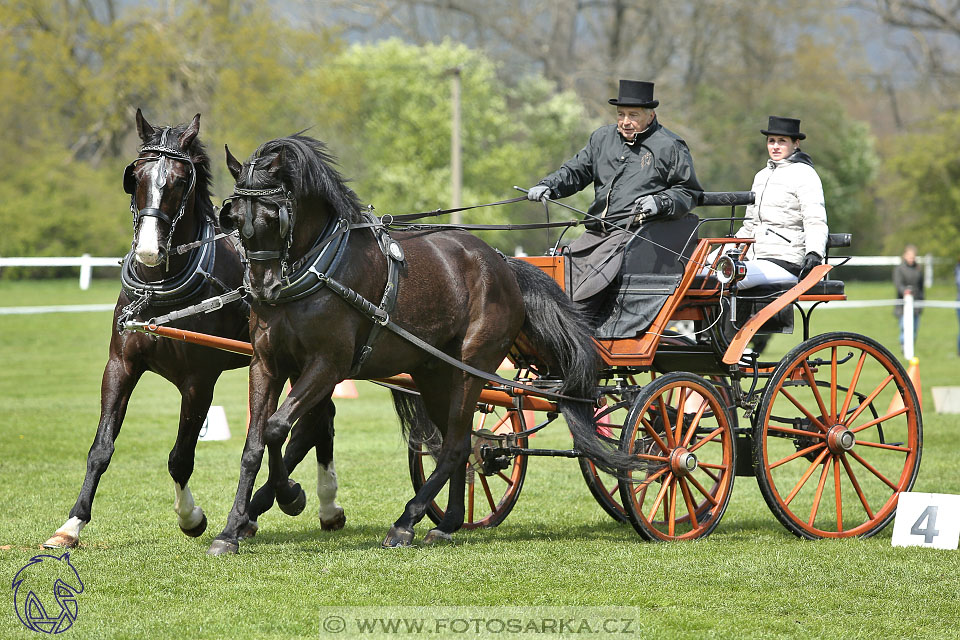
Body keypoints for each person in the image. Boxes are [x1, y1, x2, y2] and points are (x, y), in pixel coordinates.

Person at [526, 79, 703, 323]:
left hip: (635, 235)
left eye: (633, 115)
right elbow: (575, 171)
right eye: (621, 114)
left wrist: (661, 202)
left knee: (580, 296)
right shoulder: (602, 139)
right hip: (595, 234)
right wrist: (548, 185)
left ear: (651, 115)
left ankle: (576, 336)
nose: (625, 121)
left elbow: (688, 192)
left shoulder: (670, 146)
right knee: (558, 279)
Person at [732, 116, 828, 289]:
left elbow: (815, 220)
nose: (775, 146)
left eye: (782, 141)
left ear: (796, 143)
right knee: (700, 271)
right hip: (755, 257)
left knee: (727, 277)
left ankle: (732, 317)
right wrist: (729, 249)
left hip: (786, 260)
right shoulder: (761, 176)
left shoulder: (805, 174)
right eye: (771, 141)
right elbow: (749, 225)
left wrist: (814, 253)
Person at [894, 244, 924, 351]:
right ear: (905, 255)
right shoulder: (900, 269)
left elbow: (921, 287)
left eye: (913, 256)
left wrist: (921, 301)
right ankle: (904, 347)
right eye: (909, 255)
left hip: (916, 303)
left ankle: (910, 348)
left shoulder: (918, 269)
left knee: (914, 328)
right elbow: (898, 285)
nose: (911, 258)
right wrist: (905, 292)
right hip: (903, 304)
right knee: (904, 327)